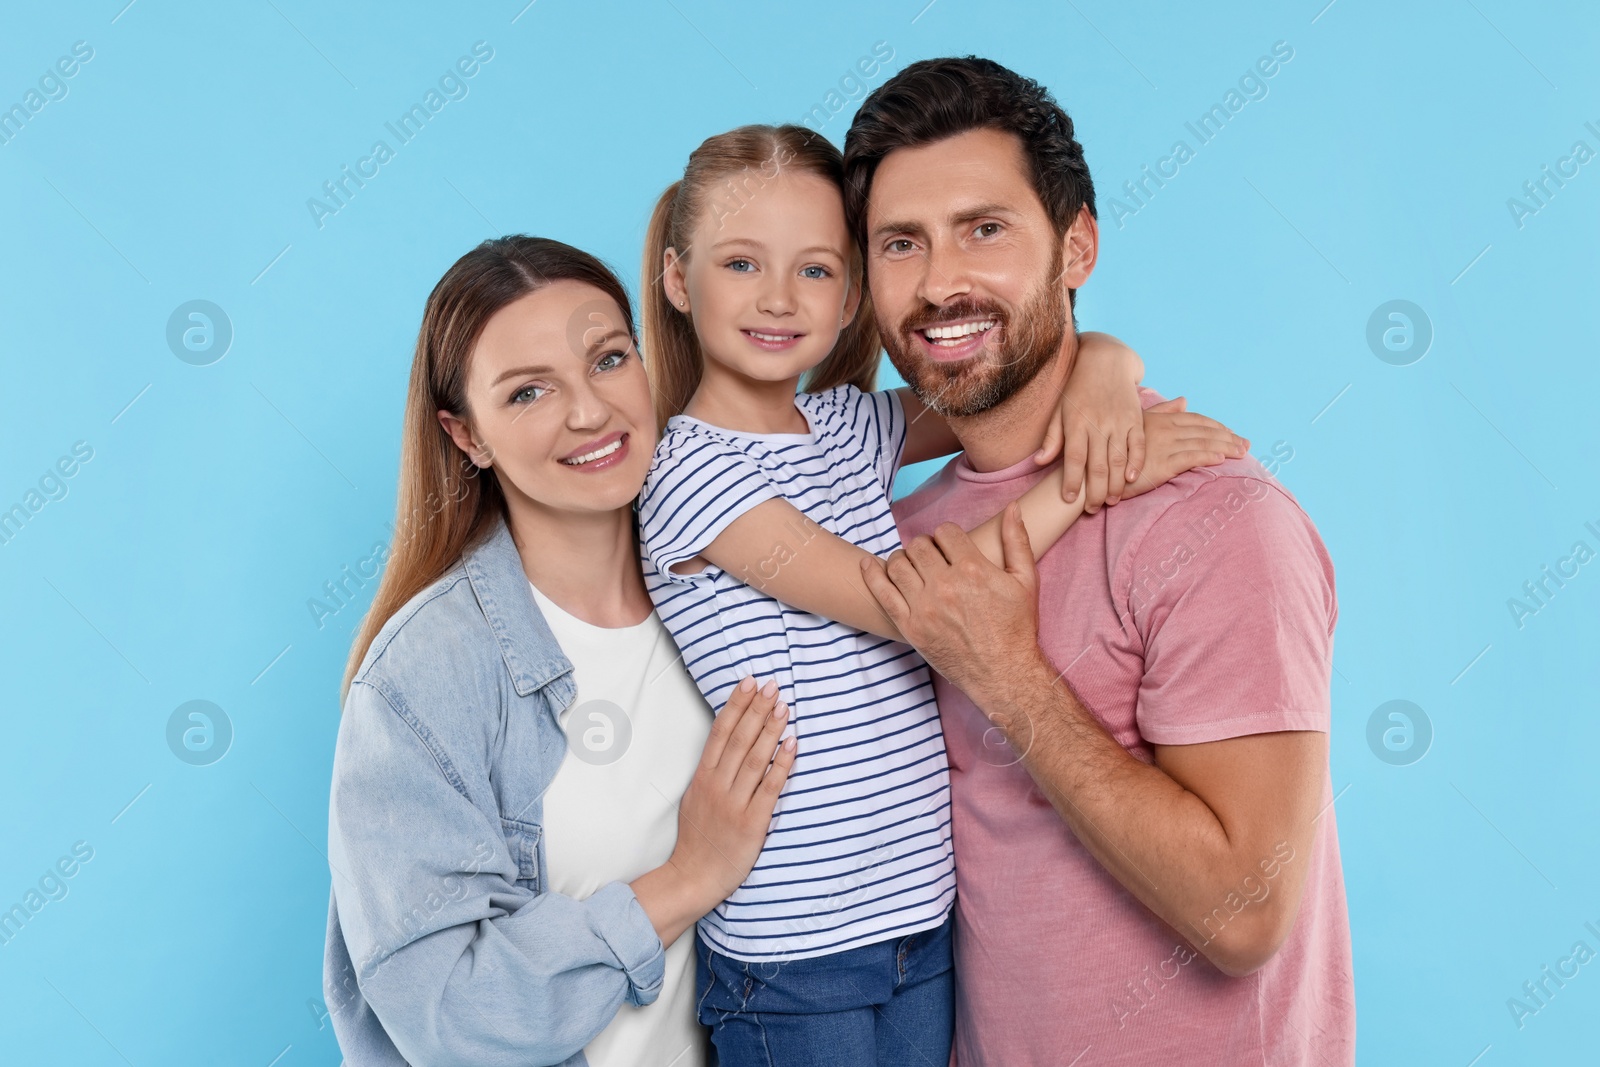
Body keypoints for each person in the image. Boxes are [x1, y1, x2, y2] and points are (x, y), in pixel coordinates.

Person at [634, 123, 1249, 1066]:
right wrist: (1091, 480)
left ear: (850, 297)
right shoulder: (689, 472)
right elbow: (910, 603)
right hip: (797, 953)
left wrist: (1106, 366)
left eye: (815, 270)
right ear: (680, 281)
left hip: (923, 922)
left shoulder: (843, 426)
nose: (777, 298)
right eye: (741, 264)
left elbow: (998, 383)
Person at [845, 58, 1356, 1065]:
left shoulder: (1213, 516)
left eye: (984, 228)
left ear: (1075, 244)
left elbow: (1245, 910)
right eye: (900, 243)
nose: (941, 280)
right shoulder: (897, 540)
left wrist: (1009, 675)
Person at [323, 235, 798, 1067]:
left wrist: (1096, 367)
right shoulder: (422, 679)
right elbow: (446, 1012)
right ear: (465, 434)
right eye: (529, 391)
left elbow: (867, 432)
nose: (589, 411)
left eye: (609, 358)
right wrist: (690, 874)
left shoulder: (735, 581)